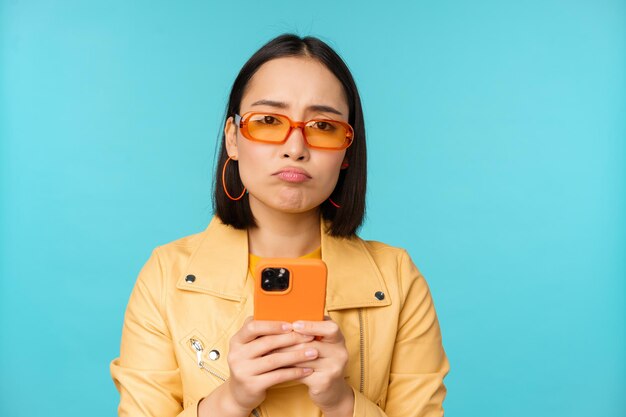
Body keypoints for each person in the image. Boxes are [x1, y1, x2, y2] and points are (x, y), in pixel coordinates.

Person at [110, 33, 449, 417]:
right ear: (233, 139)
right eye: (269, 120)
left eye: (323, 126)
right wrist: (232, 400)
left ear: (346, 153)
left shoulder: (397, 279)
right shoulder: (165, 275)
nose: (295, 147)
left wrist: (342, 402)